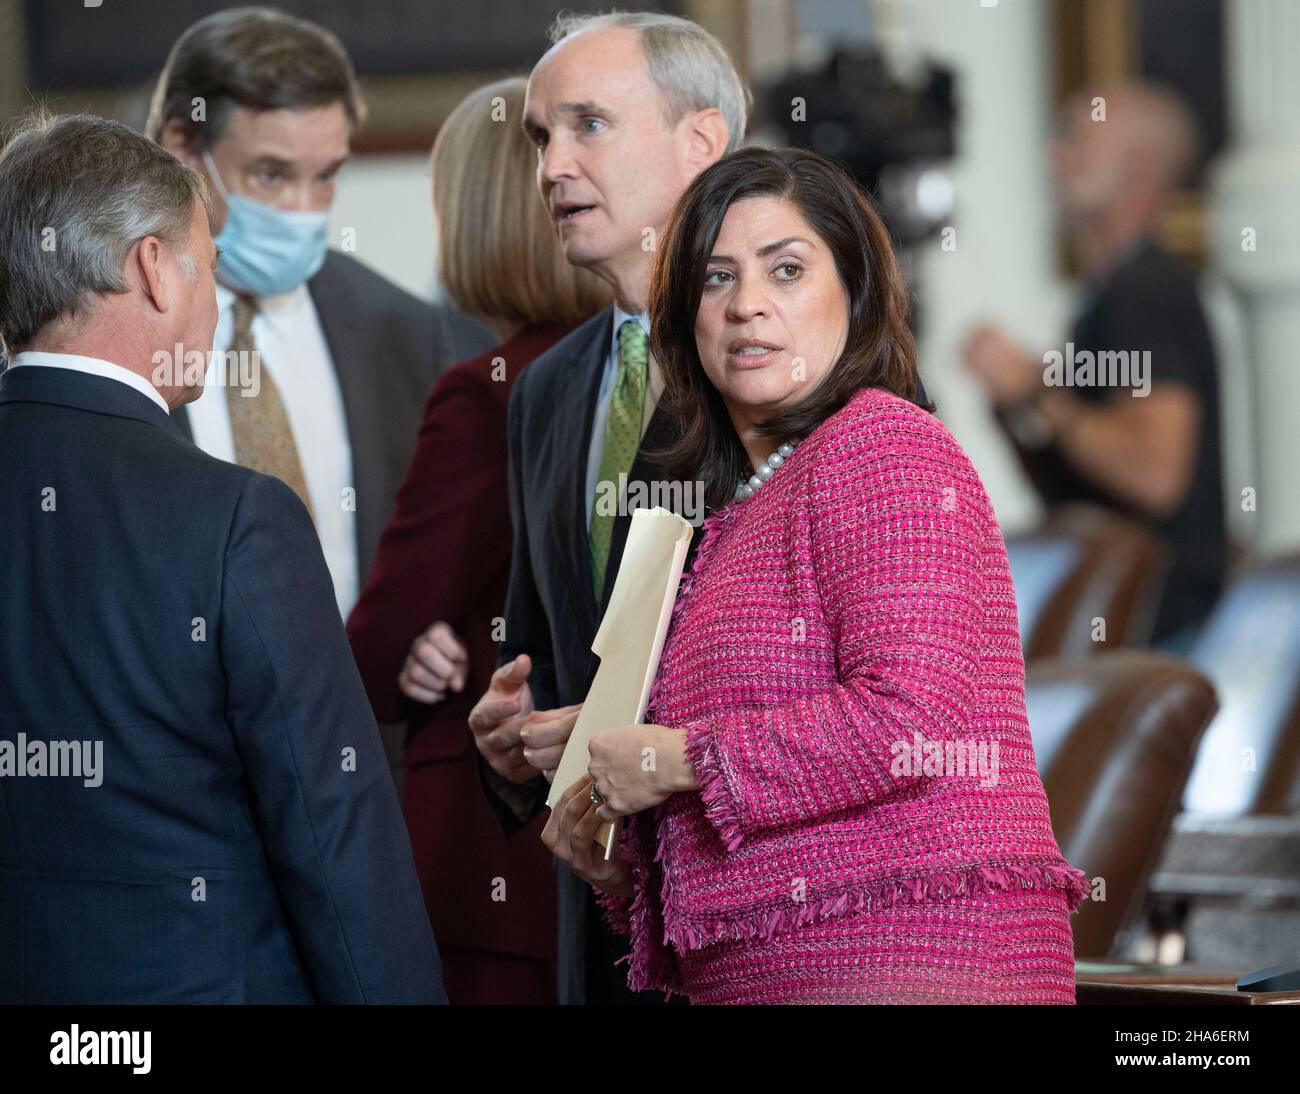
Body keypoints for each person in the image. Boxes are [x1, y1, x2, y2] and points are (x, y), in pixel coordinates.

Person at [545, 146, 1090, 1004]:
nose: (747, 305)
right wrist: (612, 824)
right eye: (716, 279)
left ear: (857, 293)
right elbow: (750, 791)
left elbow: (914, 717)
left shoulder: (882, 443)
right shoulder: (734, 511)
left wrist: (677, 758)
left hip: (915, 959)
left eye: (786, 270)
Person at [0, 113, 442, 1003]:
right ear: (155, 270)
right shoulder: (238, 518)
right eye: (209, 264)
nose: (216, 301)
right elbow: (332, 832)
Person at [465, 10, 750, 1005]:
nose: (551, 165)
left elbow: (835, 666)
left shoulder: (786, 368)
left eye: (588, 124)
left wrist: (637, 727)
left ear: (700, 142)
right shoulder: (545, 388)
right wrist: (512, 740)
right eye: (542, 135)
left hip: (752, 912)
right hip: (603, 927)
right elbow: (543, 649)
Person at [345, 77, 610, 1004]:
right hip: (596, 843)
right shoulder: (631, 369)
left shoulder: (486, 389)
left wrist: (416, 640)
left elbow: (378, 653)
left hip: (490, 857)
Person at [147, 6, 493, 617]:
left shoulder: (406, 332)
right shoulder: (106, 329)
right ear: (183, 146)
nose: (304, 209)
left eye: (326, 176)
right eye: (271, 174)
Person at [963, 83, 1225, 652]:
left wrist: (1035, 390)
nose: (1053, 159)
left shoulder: (1146, 291)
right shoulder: (1108, 296)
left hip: (1162, 636)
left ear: (1138, 166)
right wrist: (1016, 407)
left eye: (1076, 142)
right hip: (1129, 627)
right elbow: (1077, 494)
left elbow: (1156, 475)